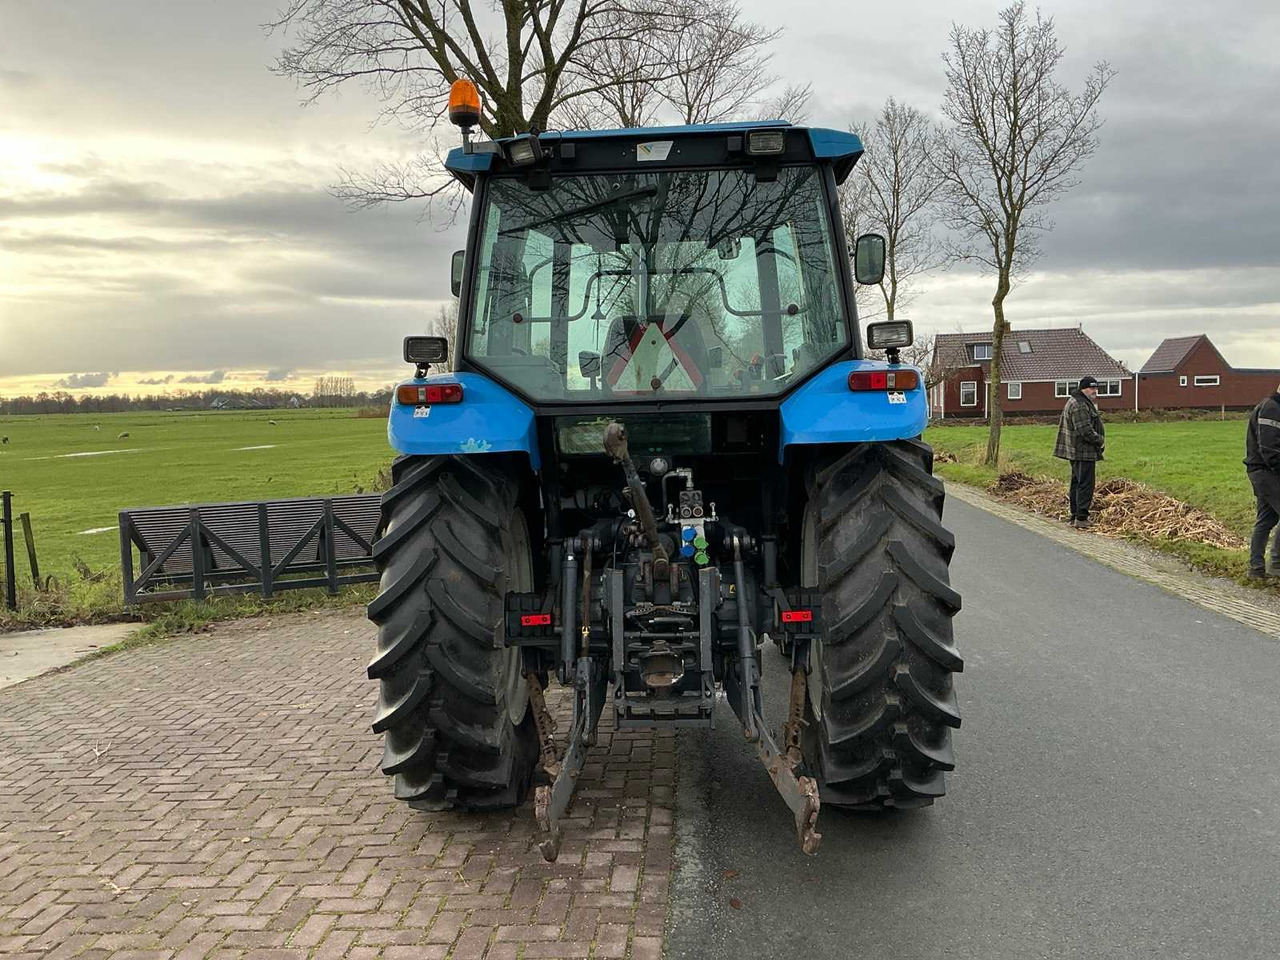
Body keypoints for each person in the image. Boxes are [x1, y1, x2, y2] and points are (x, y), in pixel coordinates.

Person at [1054, 375, 1106, 529]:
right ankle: (1081, 518)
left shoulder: (1076, 401)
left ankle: (1075, 515)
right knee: (1085, 484)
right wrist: (1099, 440)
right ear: (1083, 388)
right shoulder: (1080, 404)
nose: (1095, 391)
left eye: (1096, 387)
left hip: (1076, 450)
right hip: (1083, 451)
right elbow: (1085, 430)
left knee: (1077, 482)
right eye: (1092, 388)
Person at [1244, 384, 1280, 580]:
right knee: (1266, 521)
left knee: (1266, 520)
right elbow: (1269, 449)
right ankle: (1276, 564)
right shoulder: (1272, 408)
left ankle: (1256, 569)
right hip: (1266, 472)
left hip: (1265, 471)